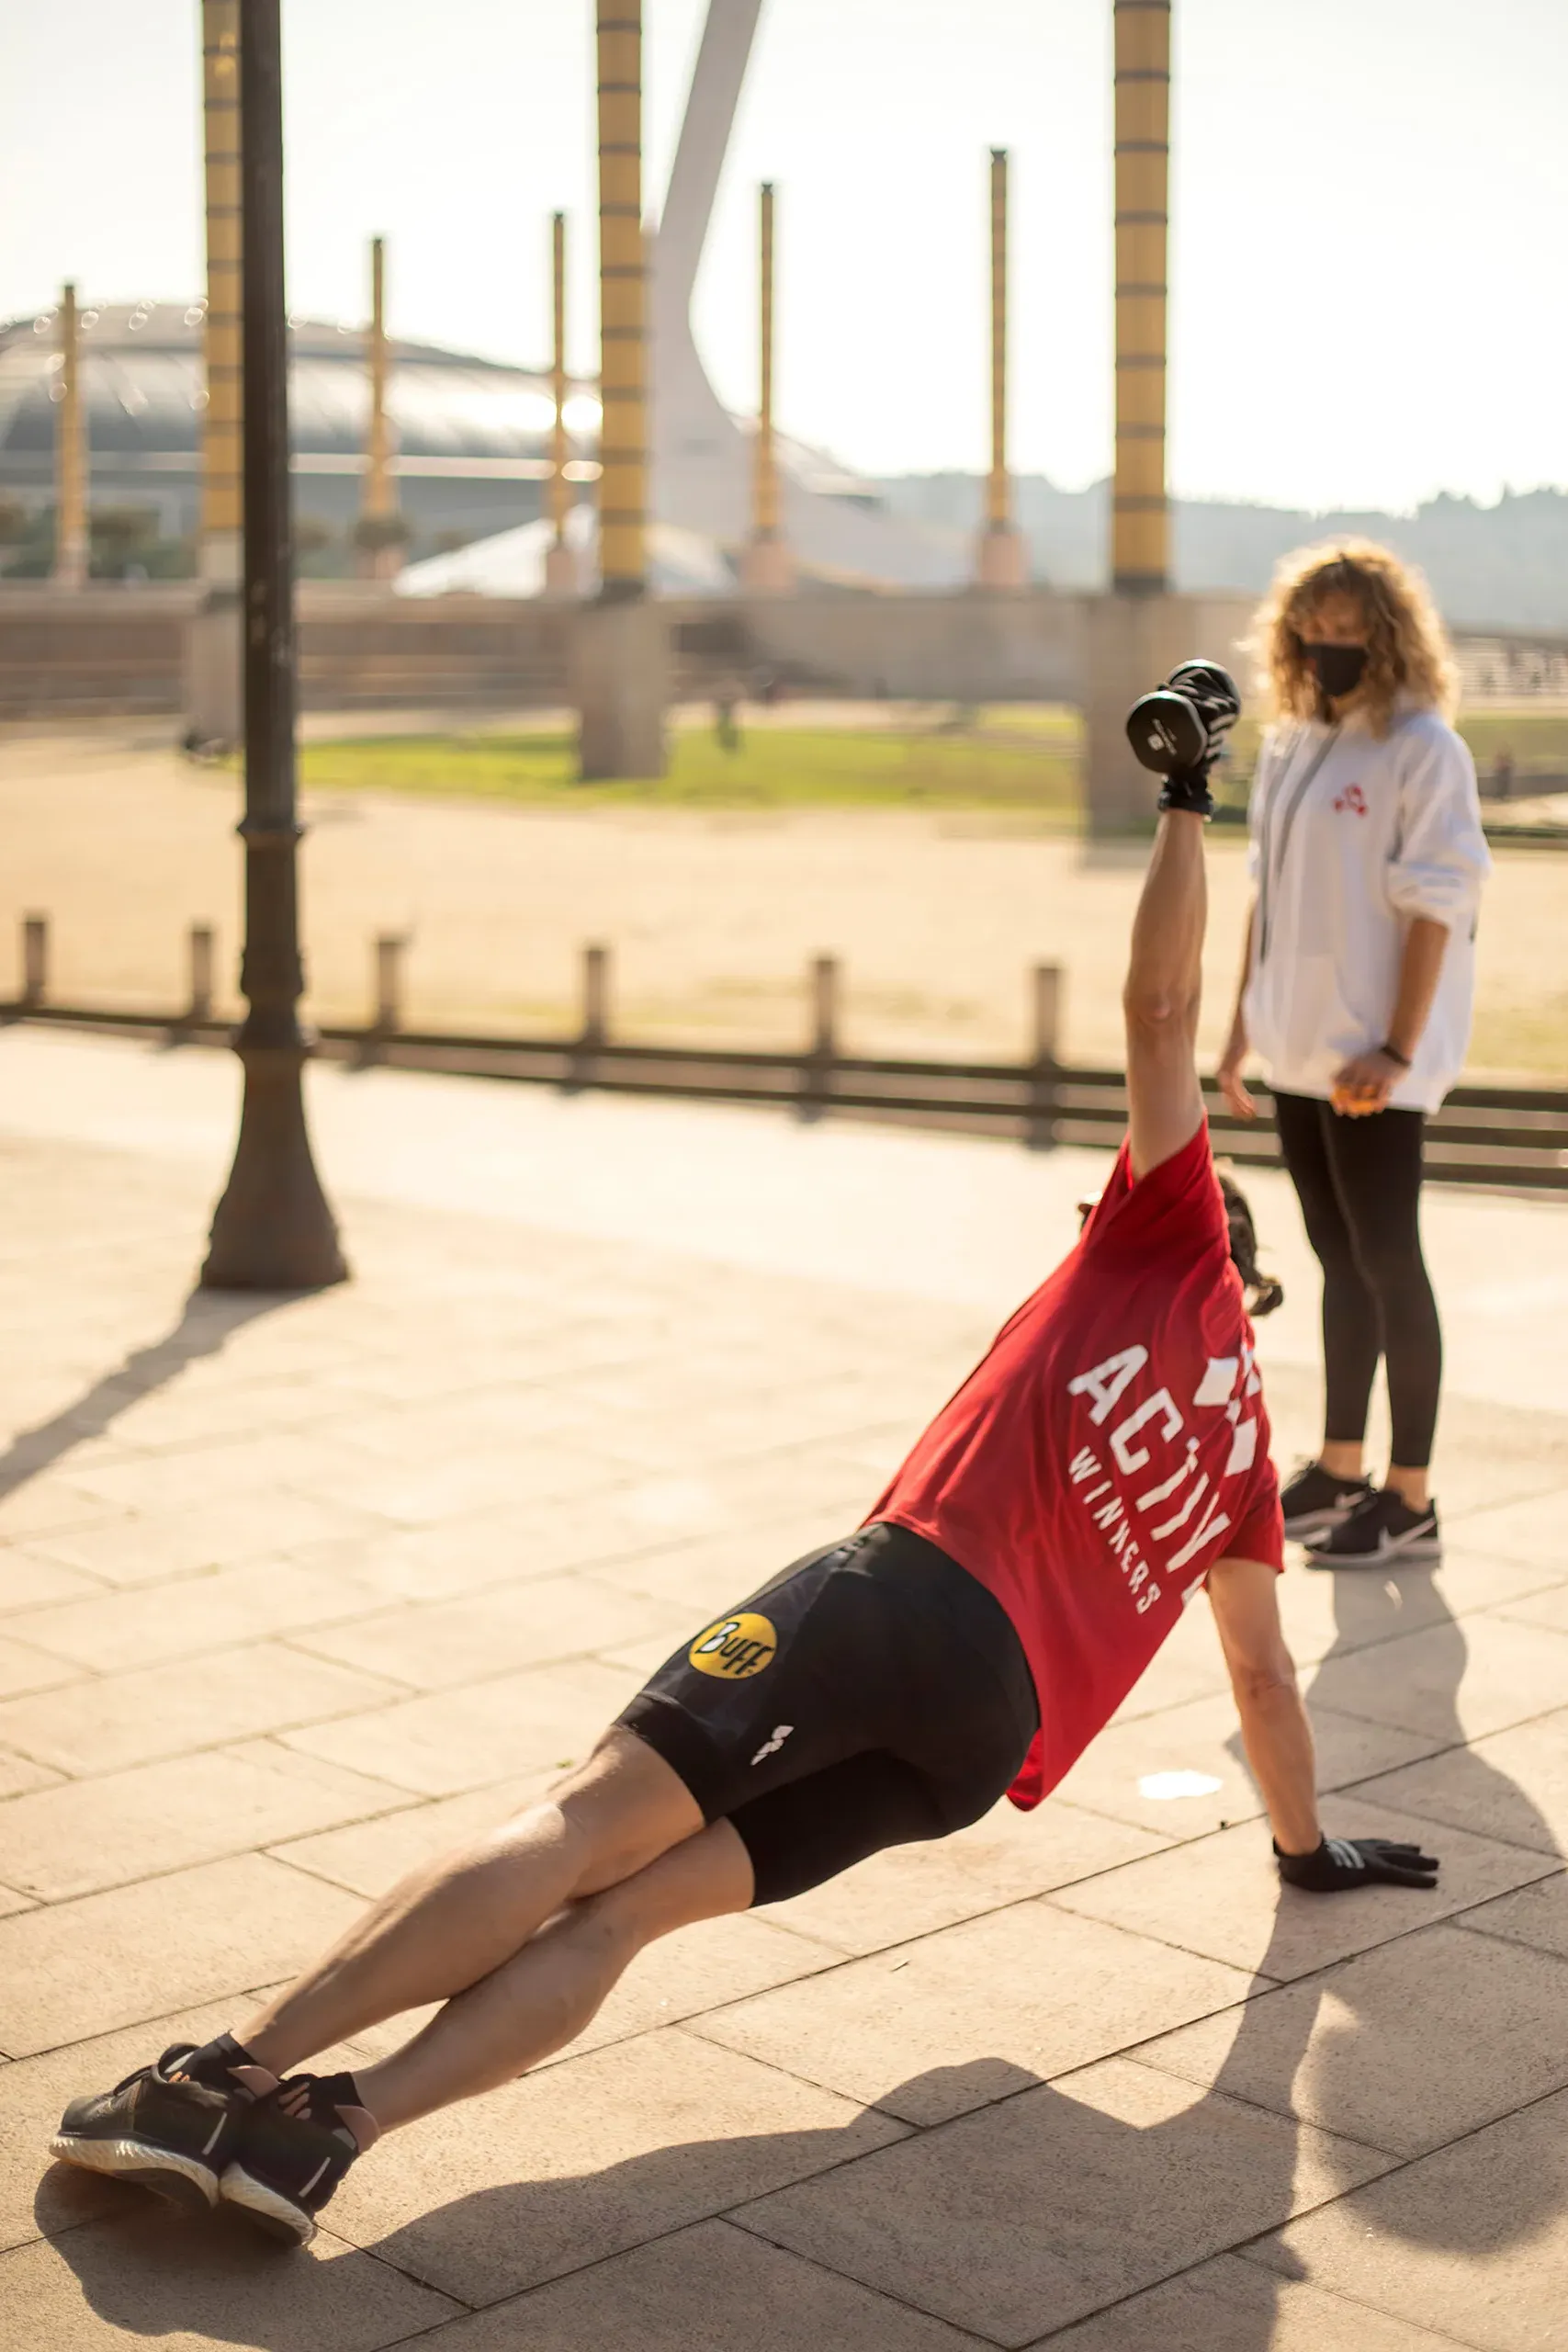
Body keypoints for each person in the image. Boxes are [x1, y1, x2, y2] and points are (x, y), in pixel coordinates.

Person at [49, 672, 1440, 2249]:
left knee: (578, 1834)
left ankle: (219, 2078)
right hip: (974, 1750)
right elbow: (1262, 1681)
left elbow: (1160, 1016)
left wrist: (1185, 798)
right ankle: (331, 2138)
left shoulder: (1156, 1230)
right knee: (631, 1916)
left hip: (901, 1600)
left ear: (1137, 1211)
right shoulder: (1245, 1456)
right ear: (1262, 1304)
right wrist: (1305, 1852)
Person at [1217, 543, 1489, 1566]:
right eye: (1312, 633)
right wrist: (1244, 1023)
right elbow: (1265, 893)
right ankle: (1339, 1469)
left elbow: (1438, 907)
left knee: (1388, 1262)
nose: (1328, 649)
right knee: (1336, 1258)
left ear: (1387, 635)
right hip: (1295, 1050)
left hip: (1372, 1061)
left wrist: (1396, 1046)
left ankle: (1409, 1496)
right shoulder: (1293, 744)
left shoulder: (1423, 748)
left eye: (1348, 633)